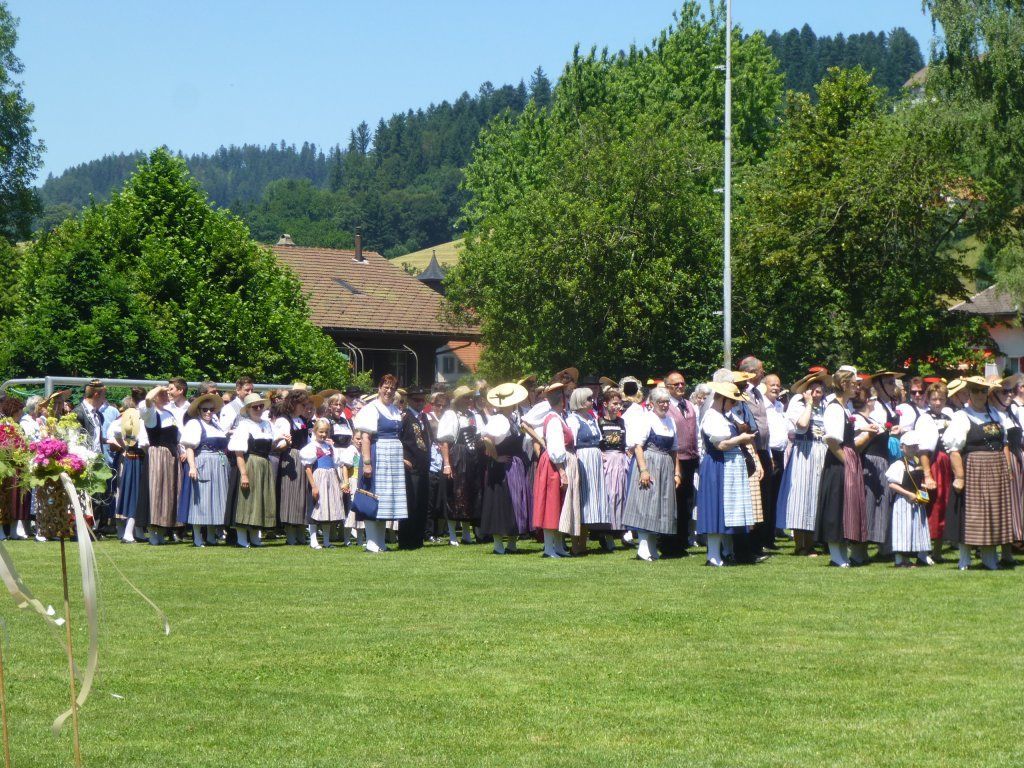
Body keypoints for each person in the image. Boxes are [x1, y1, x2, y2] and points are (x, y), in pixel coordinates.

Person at [943, 375, 1017, 570]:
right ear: (969, 392)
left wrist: (1008, 470)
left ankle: (990, 558)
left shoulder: (995, 414)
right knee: (972, 515)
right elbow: (954, 450)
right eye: (975, 390)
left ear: (987, 393)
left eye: (983, 391)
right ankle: (965, 559)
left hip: (996, 469)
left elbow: (1005, 444)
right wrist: (959, 476)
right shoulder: (961, 416)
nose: (979, 394)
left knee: (994, 514)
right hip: (974, 468)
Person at [696, 381, 756, 566]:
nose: (734, 404)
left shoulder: (725, 415)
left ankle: (725, 552)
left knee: (728, 511)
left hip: (729, 465)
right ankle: (713, 555)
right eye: (731, 401)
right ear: (721, 399)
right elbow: (720, 445)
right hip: (718, 464)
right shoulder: (712, 417)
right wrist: (741, 439)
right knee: (716, 509)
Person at [815, 368, 870, 568]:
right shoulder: (834, 408)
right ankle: (835, 554)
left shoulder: (845, 407)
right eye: (854, 383)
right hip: (838, 462)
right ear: (845, 384)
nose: (857, 386)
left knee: (846, 505)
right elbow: (831, 440)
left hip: (847, 457)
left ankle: (842, 553)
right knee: (836, 506)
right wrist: (846, 462)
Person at [622, 386, 681, 562]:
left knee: (661, 505)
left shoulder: (670, 421)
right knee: (646, 503)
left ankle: (652, 547)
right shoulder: (646, 419)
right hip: (649, 461)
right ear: (652, 403)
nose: (664, 405)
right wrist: (644, 470)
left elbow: (675, 449)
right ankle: (642, 547)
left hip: (665, 463)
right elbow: (638, 446)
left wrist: (676, 472)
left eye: (666, 402)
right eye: (660, 402)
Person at [353, 374, 409, 553]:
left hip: (392, 459)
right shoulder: (372, 409)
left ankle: (381, 542)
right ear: (379, 388)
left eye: (392, 388)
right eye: (386, 387)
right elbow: (366, 437)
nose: (389, 391)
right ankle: (371, 542)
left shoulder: (393, 409)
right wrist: (367, 463)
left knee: (386, 499)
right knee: (373, 496)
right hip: (377, 456)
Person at [776, 371, 829, 556]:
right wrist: (807, 404)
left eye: (819, 391)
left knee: (815, 496)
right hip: (803, 454)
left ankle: (812, 542)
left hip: (820, 452)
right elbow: (802, 425)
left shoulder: (825, 406)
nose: (816, 394)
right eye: (812, 391)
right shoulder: (797, 405)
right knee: (800, 497)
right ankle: (800, 545)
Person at [479, 382, 532, 554]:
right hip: (503, 469)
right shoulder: (500, 419)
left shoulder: (511, 418)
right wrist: (496, 456)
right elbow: (487, 438)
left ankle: (512, 543)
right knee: (500, 503)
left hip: (514, 466)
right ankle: (498, 544)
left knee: (515, 502)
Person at [229, 393, 283, 548]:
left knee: (260, 499)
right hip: (250, 463)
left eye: (260, 406)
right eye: (255, 407)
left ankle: (254, 537)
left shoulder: (266, 425)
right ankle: (241, 538)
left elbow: (270, 446)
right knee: (247, 500)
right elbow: (238, 451)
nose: (258, 409)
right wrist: (244, 475)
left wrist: (279, 440)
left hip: (264, 464)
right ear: (248, 409)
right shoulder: (244, 425)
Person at [180, 393, 229, 547]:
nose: (208, 412)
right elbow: (189, 447)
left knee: (215, 499)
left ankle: (211, 535)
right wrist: (192, 466)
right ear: (199, 410)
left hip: (219, 463)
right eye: (205, 410)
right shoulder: (195, 424)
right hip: (203, 462)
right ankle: (197, 537)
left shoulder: (216, 424)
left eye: (211, 409)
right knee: (201, 500)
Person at [435, 385, 482, 546]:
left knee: (469, 493)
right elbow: (444, 442)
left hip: (471, 457)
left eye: (470, 397)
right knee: (454, 493)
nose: (469, 400)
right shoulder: (450, 415)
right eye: (466, 397)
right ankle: (453, 534)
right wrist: (447, 464)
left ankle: (467, 533)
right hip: (457, 455)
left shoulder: (472, 415)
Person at [563, 387, 608, 554]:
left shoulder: (591, 417)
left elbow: (598, 440)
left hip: (594, 461)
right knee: (580, 501)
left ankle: (583, 543)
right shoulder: (573, 420)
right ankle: (575, 544)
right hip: (582, 460)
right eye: (589, 399)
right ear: (581, 401)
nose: (592, 401)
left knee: (590, 502)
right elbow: (571, 444)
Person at [532, 382, 572, 558]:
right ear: (561, 400)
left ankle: (558, 546)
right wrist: (562, 472)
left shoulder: (556, 416)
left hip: (555, 463)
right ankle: (549, 548)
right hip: (553, 466)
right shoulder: (554, 419)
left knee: (559, 504)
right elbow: (555, 449)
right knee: (551, 505)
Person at [662, 371, 699, 557]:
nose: (680, 387)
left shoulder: (690, 406)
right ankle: (670, 543)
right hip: (674, 459)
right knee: (673, 502)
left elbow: (696, 431)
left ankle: (682, 541)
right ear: (667, 387)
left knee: (687, 502)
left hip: (691, 458)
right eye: (675, 384)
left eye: (682, 383)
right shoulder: (665, 407)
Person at [915, 381, 953, 561]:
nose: (938, 402)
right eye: (934, 399)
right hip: (933, 464)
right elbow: (923, 450)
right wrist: (927, 474)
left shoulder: (949, 416)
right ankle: (924, 551)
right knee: (931, 506)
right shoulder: (924, 418)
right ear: (928, 399)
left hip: (948, 466)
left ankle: (937, 552)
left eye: (941, 399)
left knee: (944, 506)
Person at [139, 386, 179, 545]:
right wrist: (159, 387)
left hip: (170, 456)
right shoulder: (151, 413)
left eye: (166, 393)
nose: (165, 395)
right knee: (155, 491)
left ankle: (162, 530)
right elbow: (148, 399)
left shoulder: (169, 413)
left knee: (167, 492)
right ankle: (152, 531)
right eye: (161, 394)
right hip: (157, 455)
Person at [886, 431, 933, 567]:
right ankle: (900, 560)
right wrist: (907, 494)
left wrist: (923, 486)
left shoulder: (916, 463)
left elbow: (915, 481)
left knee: (918, 527)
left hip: (917, 501)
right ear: (902, 447)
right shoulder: (899, 464)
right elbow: (892, 483)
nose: (913, 449)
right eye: (910, 446)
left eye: (915, 446)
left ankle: (921, 556)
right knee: (903, 528)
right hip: (904, 501)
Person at [107, 399, 149, 544]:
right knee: (135, 494)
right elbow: (144, 443)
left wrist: (125, 445)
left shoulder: (126, 422)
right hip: (138, 458)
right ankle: (128, 533)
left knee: (133, 493)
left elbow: (116, 434)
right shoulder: (140, 422)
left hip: (131, 458)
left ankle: (136, 531)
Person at [275, 389, 313, 545]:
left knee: (302, 496)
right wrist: (286, 443)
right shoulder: (284, 420)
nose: (305, 407)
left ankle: (300, 532)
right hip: (291, 457)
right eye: (302, 404)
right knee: (290, 495)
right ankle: (291, 534)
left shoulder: (302, 421)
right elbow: (279, 444)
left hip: (303, 458)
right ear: (294, 404)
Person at [301, 418, 346, 549]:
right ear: (315, 431)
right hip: (319, 478)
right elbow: (308, 467)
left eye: (326, 432)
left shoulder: (330, 447)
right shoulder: (311, 447)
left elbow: (336, 464)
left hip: (331, 478)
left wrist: (339, 482)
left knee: (329, 509)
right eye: (321, 432)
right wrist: (314, 486)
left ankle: (326, 541)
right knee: (316, 508)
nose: (323, 435)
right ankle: (314, 540)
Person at [399, 386, 433, 549]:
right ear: (409, 400)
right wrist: (402, 458)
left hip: (424, 466)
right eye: (416, 400)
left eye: (422, 400)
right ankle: (407, 540)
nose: (420, 403)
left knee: (422, 502)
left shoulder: (423, 417)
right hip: (410, 466)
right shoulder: (405, 417)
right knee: (410, 504)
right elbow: (397, 439)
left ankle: (418, 538)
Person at [598, 388, 628, 550]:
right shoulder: (600, 422)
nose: (618, 407)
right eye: (615, 404)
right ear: (605, 404)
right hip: (607, 460)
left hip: (621, 459)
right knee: (610, 495)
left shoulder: (621, 422)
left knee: (621, 495)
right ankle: (606, 532)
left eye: (620, 404)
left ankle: (620, 530)